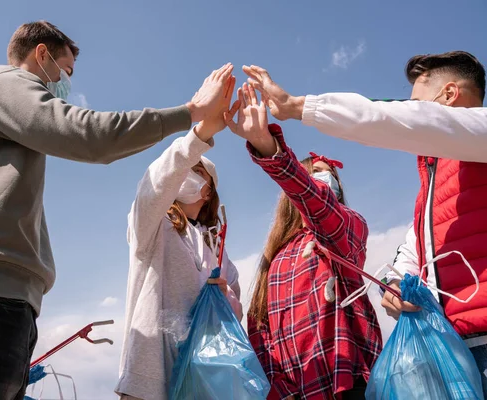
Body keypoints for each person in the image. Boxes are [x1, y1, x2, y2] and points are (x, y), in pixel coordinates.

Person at [0, 20, 236, 399]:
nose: (66, 84)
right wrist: (191, 113)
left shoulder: (6, 135)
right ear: (41, 55)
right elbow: (93, 138)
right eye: (66, 71)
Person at [241, 51, 487, 394]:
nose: (409, 110)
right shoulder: (430, 187)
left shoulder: (482, 132)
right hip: (453, 344)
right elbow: (413, 252)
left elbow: (387, 120)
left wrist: (299, 108)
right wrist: (395, 284)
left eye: (415, 104)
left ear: (448, 95)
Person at [224, 84, 382, 399]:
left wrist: (267, 147)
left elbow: (315, 201)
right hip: (293, 391)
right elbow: (261, 331)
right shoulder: (276, 256)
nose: (325, 184)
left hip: (346, 382)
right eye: (317, 175)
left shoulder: (346, 230)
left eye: (330, 179)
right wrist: (279, 388)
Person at [115, 75, 243, 400]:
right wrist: (198, 136)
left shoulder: (215, 247)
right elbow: (156, 182)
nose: (186, 171)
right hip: (151, 380)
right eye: (186, 166)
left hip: (200, 380)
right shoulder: (152, 224)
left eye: (196, 169)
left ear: (208, 188)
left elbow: (235, 313)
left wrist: (226, 294)